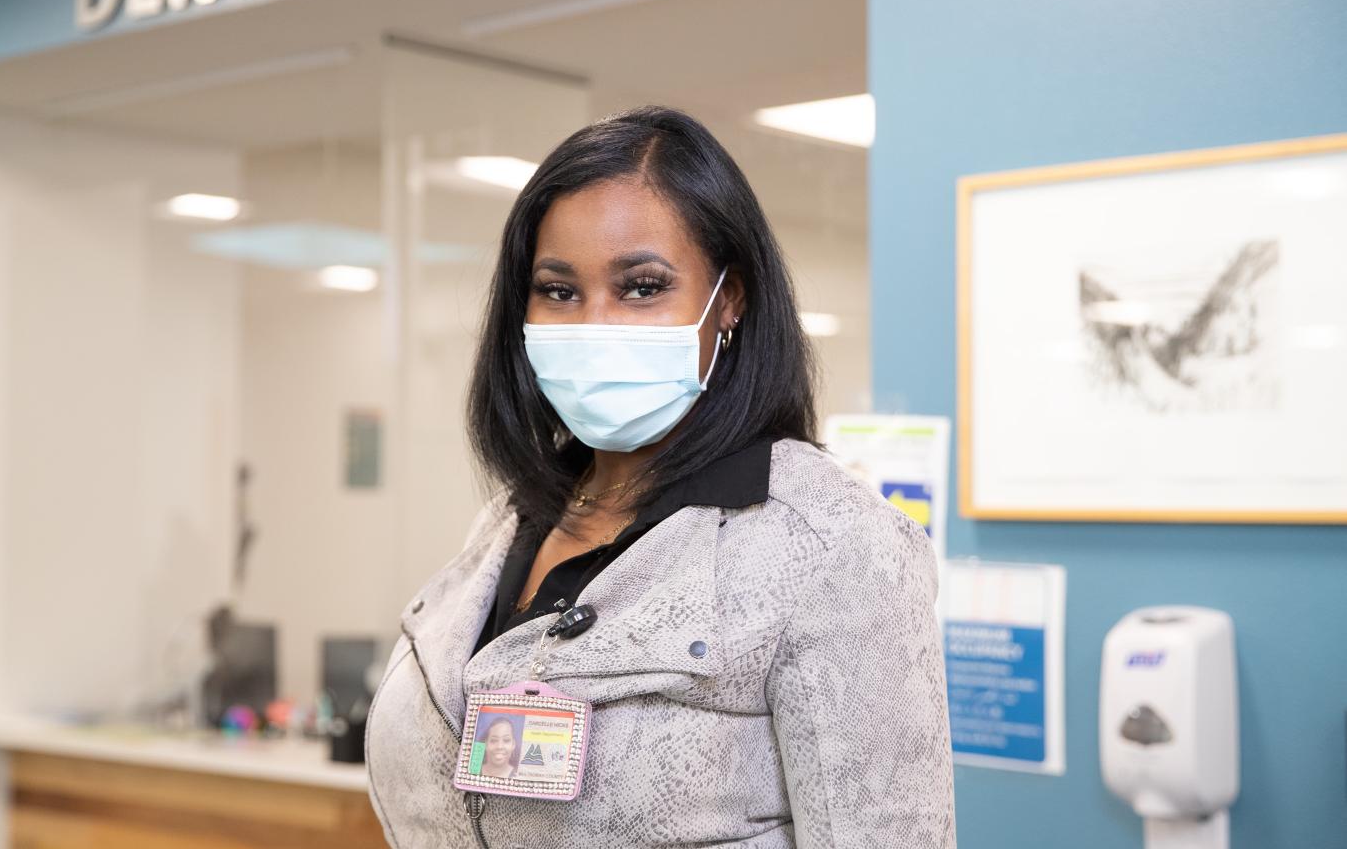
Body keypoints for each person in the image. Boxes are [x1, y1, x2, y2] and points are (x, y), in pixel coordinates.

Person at [365, 106, 955, 848]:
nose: (594, 326)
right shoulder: (511, 521)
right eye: (559, 290)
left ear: (728, 297)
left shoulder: (833, 545)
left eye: (642, 287)